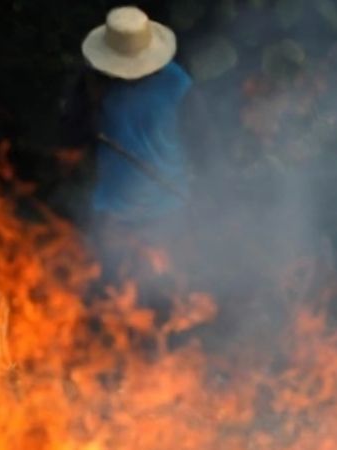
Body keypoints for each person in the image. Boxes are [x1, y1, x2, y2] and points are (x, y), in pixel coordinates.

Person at [61, 6, 196, 287]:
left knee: (159, 291)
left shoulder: (178, 85)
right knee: (113, 289)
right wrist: (88, 115)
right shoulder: (94, 83)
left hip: (167, 209)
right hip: (114, 212)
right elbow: (72, 135)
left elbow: (205, 144)